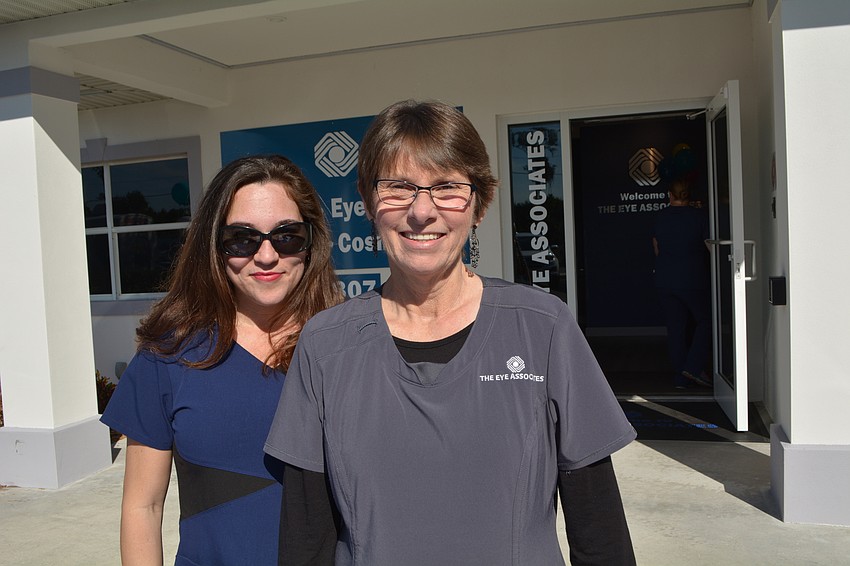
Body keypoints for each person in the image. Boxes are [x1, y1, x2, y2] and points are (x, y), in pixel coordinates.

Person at [265, 100, 637, 565]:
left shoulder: (542, 329)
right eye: (398, 187)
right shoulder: (326, 346)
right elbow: (305, 538)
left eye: (447, 188)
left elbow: (598, 530)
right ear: (366, 201)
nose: (422, 211)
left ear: (479, 205)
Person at [101, 154, 343, 565]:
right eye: (242, 238)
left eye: (286, 235)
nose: (266, 256)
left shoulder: (348, 345)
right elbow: (144, 508)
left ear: (311, 241)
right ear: (214, 245)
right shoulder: (168, 356)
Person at [651, 179, 712, 389]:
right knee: (706, 321)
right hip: (693, 279)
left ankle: (681, 378)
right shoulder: (699, 217)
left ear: (670, 195)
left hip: (665, 280)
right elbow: (709, 246)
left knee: (676, 328)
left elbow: (656, 248)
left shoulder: (661, 217)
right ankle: (693, 368)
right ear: (689, 195)